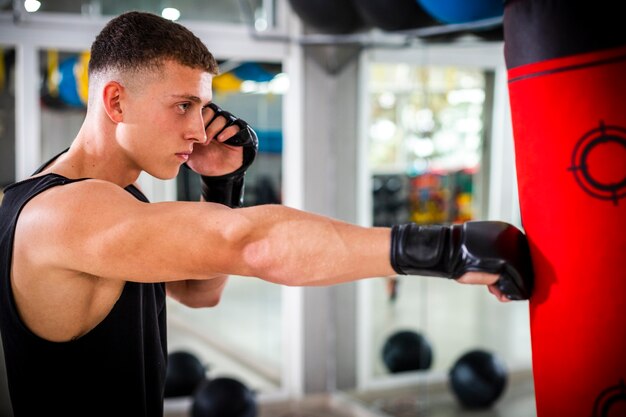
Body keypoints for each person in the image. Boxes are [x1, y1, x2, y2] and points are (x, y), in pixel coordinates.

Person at [0, 11, 533, 417]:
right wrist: (446, 249)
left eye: (201, 109)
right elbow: (250, 244)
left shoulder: (112, 201)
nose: (197, 128)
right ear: (116, 103)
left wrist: (221, 185)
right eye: (182, 105)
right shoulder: (67, 212)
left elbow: (201, 292)